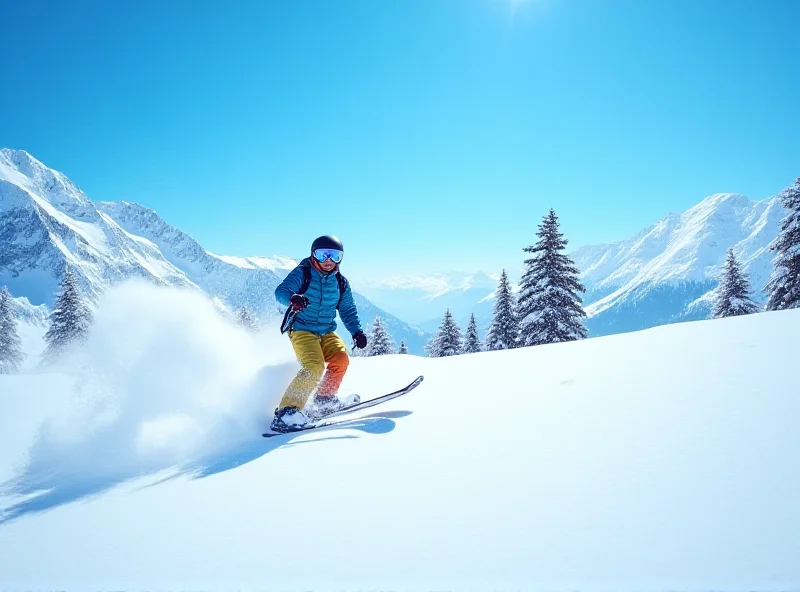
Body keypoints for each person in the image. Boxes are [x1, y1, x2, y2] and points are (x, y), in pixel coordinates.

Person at [270, 235, 368, 433]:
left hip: (326, 330)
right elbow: (281, 291)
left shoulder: (340, 282)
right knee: (313, 366)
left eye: (335, 256)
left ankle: (324, 399)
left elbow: (347, 310)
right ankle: (286, 413)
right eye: (323, 255)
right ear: (313, 255)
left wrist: (356, 331)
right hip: (302, 329)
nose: (328, 260)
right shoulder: (303, 273)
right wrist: (293, 298)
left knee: (341, 359)